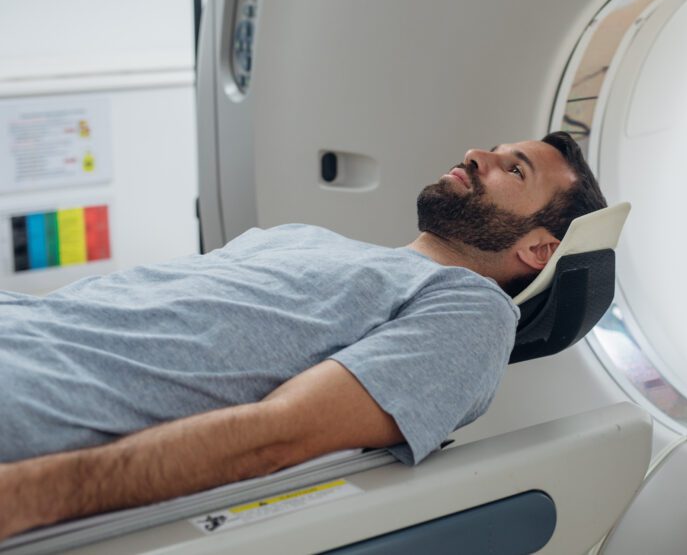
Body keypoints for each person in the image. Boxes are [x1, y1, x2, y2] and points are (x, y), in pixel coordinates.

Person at [0, 131, 607, 540]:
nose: (478, 154)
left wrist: (27, 498)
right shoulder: (302, 237)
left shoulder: (472, 313)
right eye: (494, 149)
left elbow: (273, 439)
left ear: (538, 248)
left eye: (513, 169)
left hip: (29, 399)